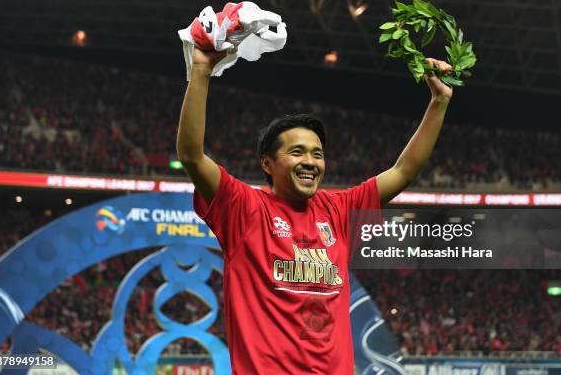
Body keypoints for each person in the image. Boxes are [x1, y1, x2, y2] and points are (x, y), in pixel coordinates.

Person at [176, 46, 453, 374]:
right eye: (297, 152)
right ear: (267, 163)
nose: (310, 162)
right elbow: (192, 156)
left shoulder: (339, 210)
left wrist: (439, 101)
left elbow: (404, 171)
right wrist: (202, 72)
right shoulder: (244, 209)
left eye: (317, 154)